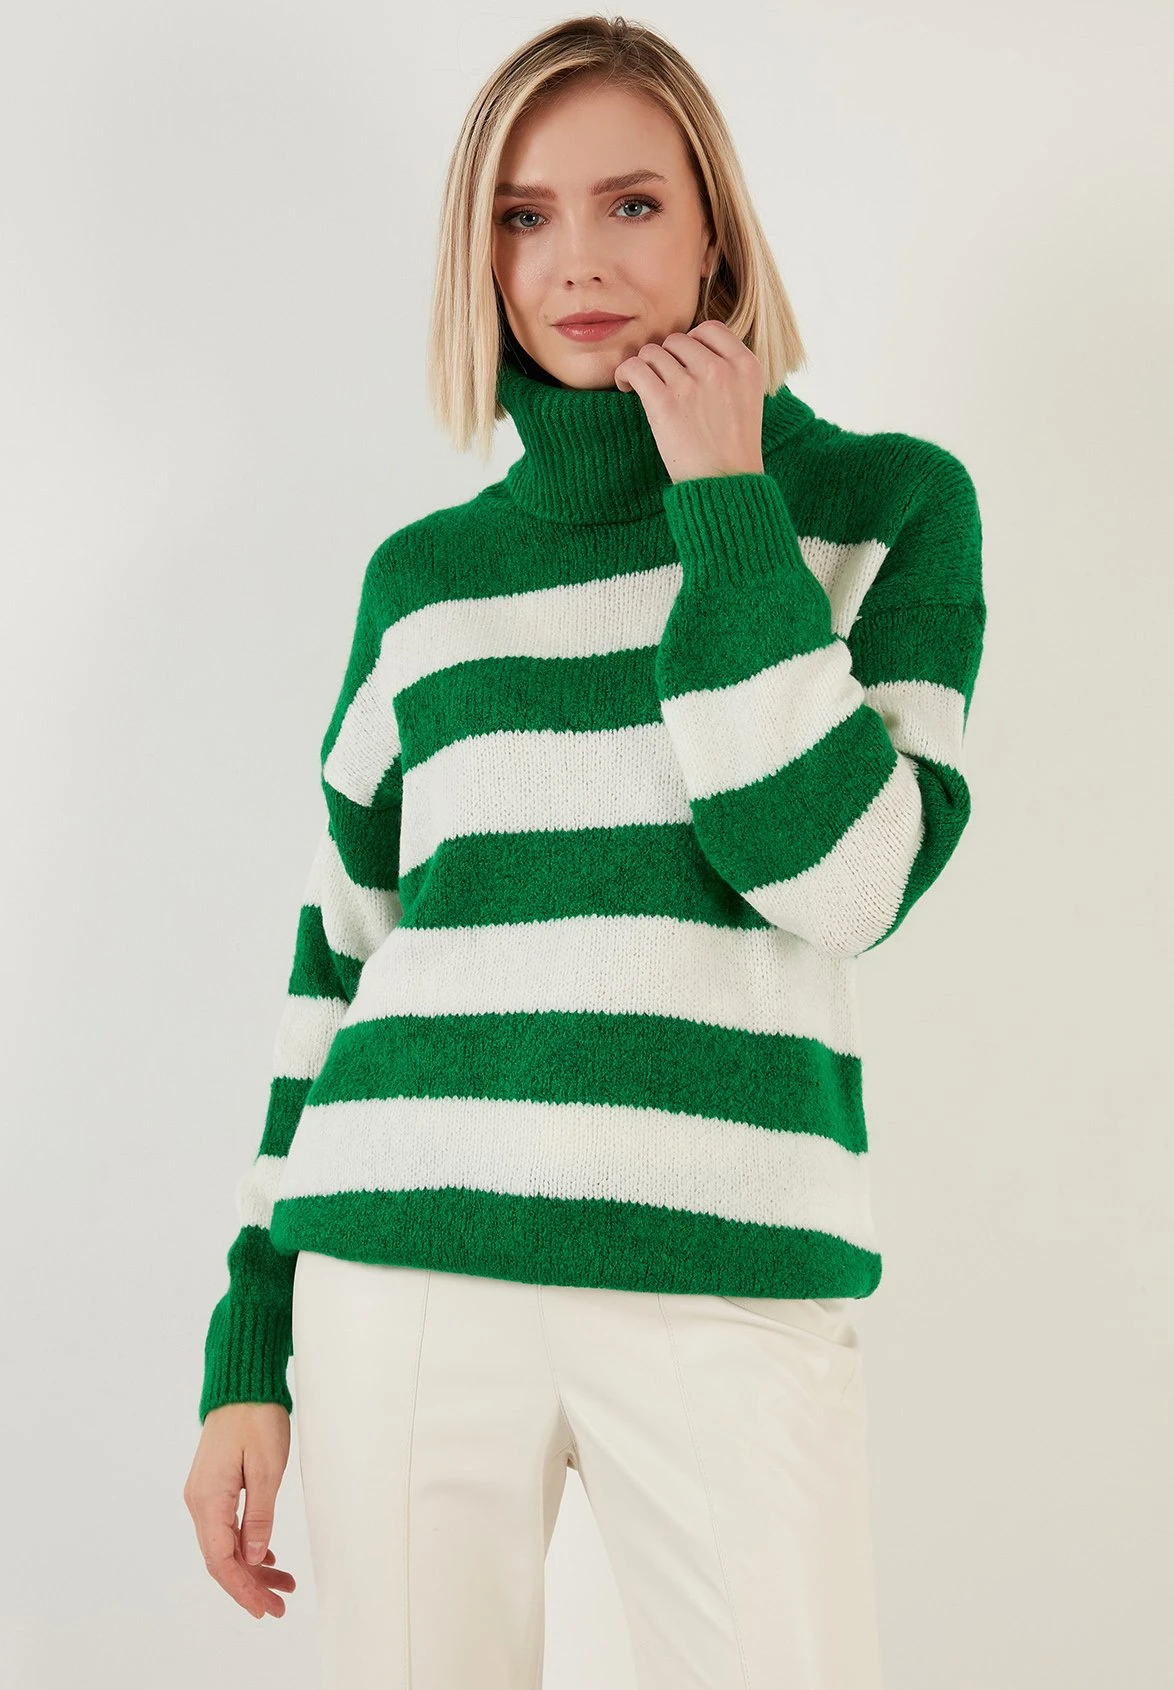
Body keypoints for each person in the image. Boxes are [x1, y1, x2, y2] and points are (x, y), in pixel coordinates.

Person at [184, 15, 985, 1689]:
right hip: (401, 1260)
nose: (575, 262)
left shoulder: (885, 506)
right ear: (480, 258)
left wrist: (727, 509)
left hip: (721, 1267)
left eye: (630, 204)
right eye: (522, 216)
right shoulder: (424, 578)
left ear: (714, 233)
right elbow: (340, 951)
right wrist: (249, 1338)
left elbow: (840, 880)